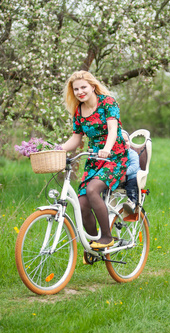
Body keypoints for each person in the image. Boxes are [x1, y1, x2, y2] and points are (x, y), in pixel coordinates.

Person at [61, 70, 129, 249]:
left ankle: (107, 237)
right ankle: (93, 244)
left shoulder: (108, 103)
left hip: (114, 156)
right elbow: (76, 138)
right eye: (76, 89)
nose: (80, 92)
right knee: (82, 203)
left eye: (83, 87)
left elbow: (113, 130)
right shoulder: (78, 111)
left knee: (92, 191)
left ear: (92, 86)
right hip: (94, 159)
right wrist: (58, 149)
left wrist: (106, 149)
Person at [122, 131, 140, 214]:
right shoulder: (115, 155)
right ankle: (105, 200)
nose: (124, 143)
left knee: (131, 185)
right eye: (120, 141)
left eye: (126, 141)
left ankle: (132, 202)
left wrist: (123, 172)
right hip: (120, 178)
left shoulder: (132, 154)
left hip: (133, 176)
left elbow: (134, 167)